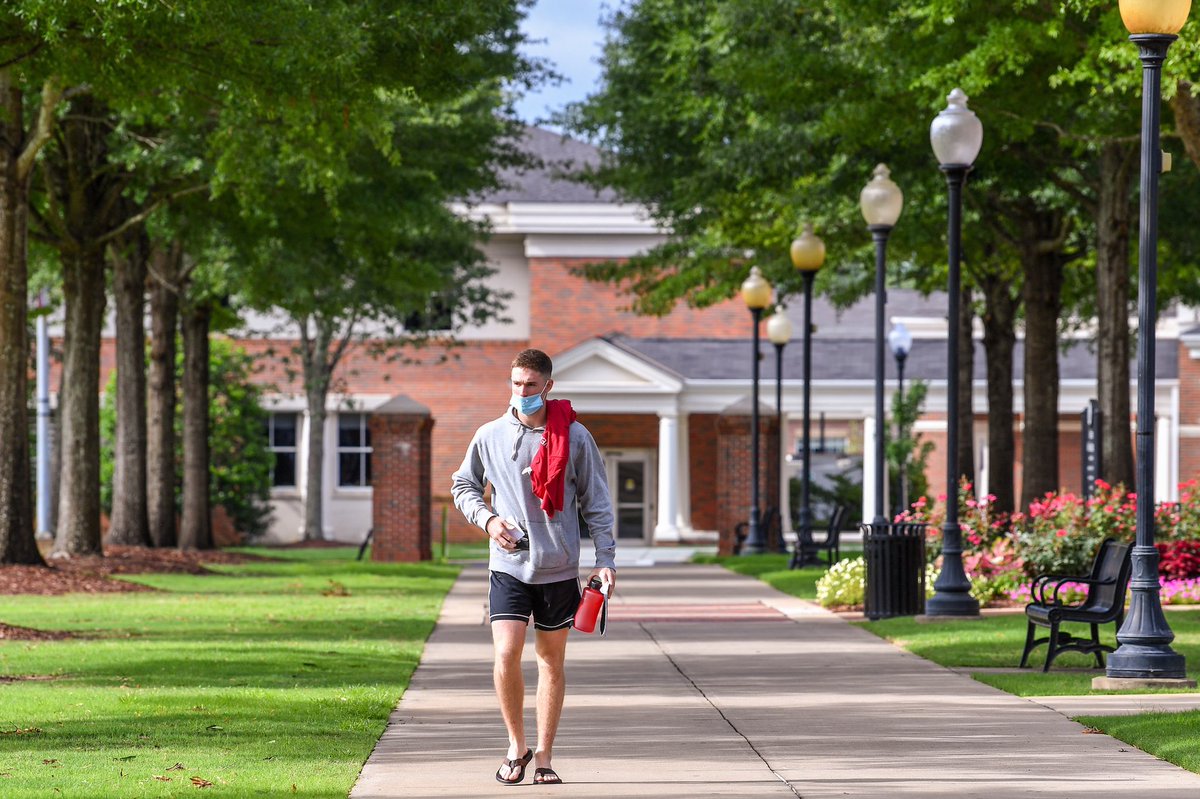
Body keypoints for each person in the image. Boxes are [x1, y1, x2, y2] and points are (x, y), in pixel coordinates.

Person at [451, 348, 617, 786]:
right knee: (506, 654)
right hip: (507, 565)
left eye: (530, 385)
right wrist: (487, 519)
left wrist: (605, 560)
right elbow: (463, 483)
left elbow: (596, 502)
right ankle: (515, 745)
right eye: (516, 383)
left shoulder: (575, 437)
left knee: (550, 662)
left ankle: (543, 755)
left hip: (559, 568)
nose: (521, 392)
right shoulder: (489, 434)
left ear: (548, 386)